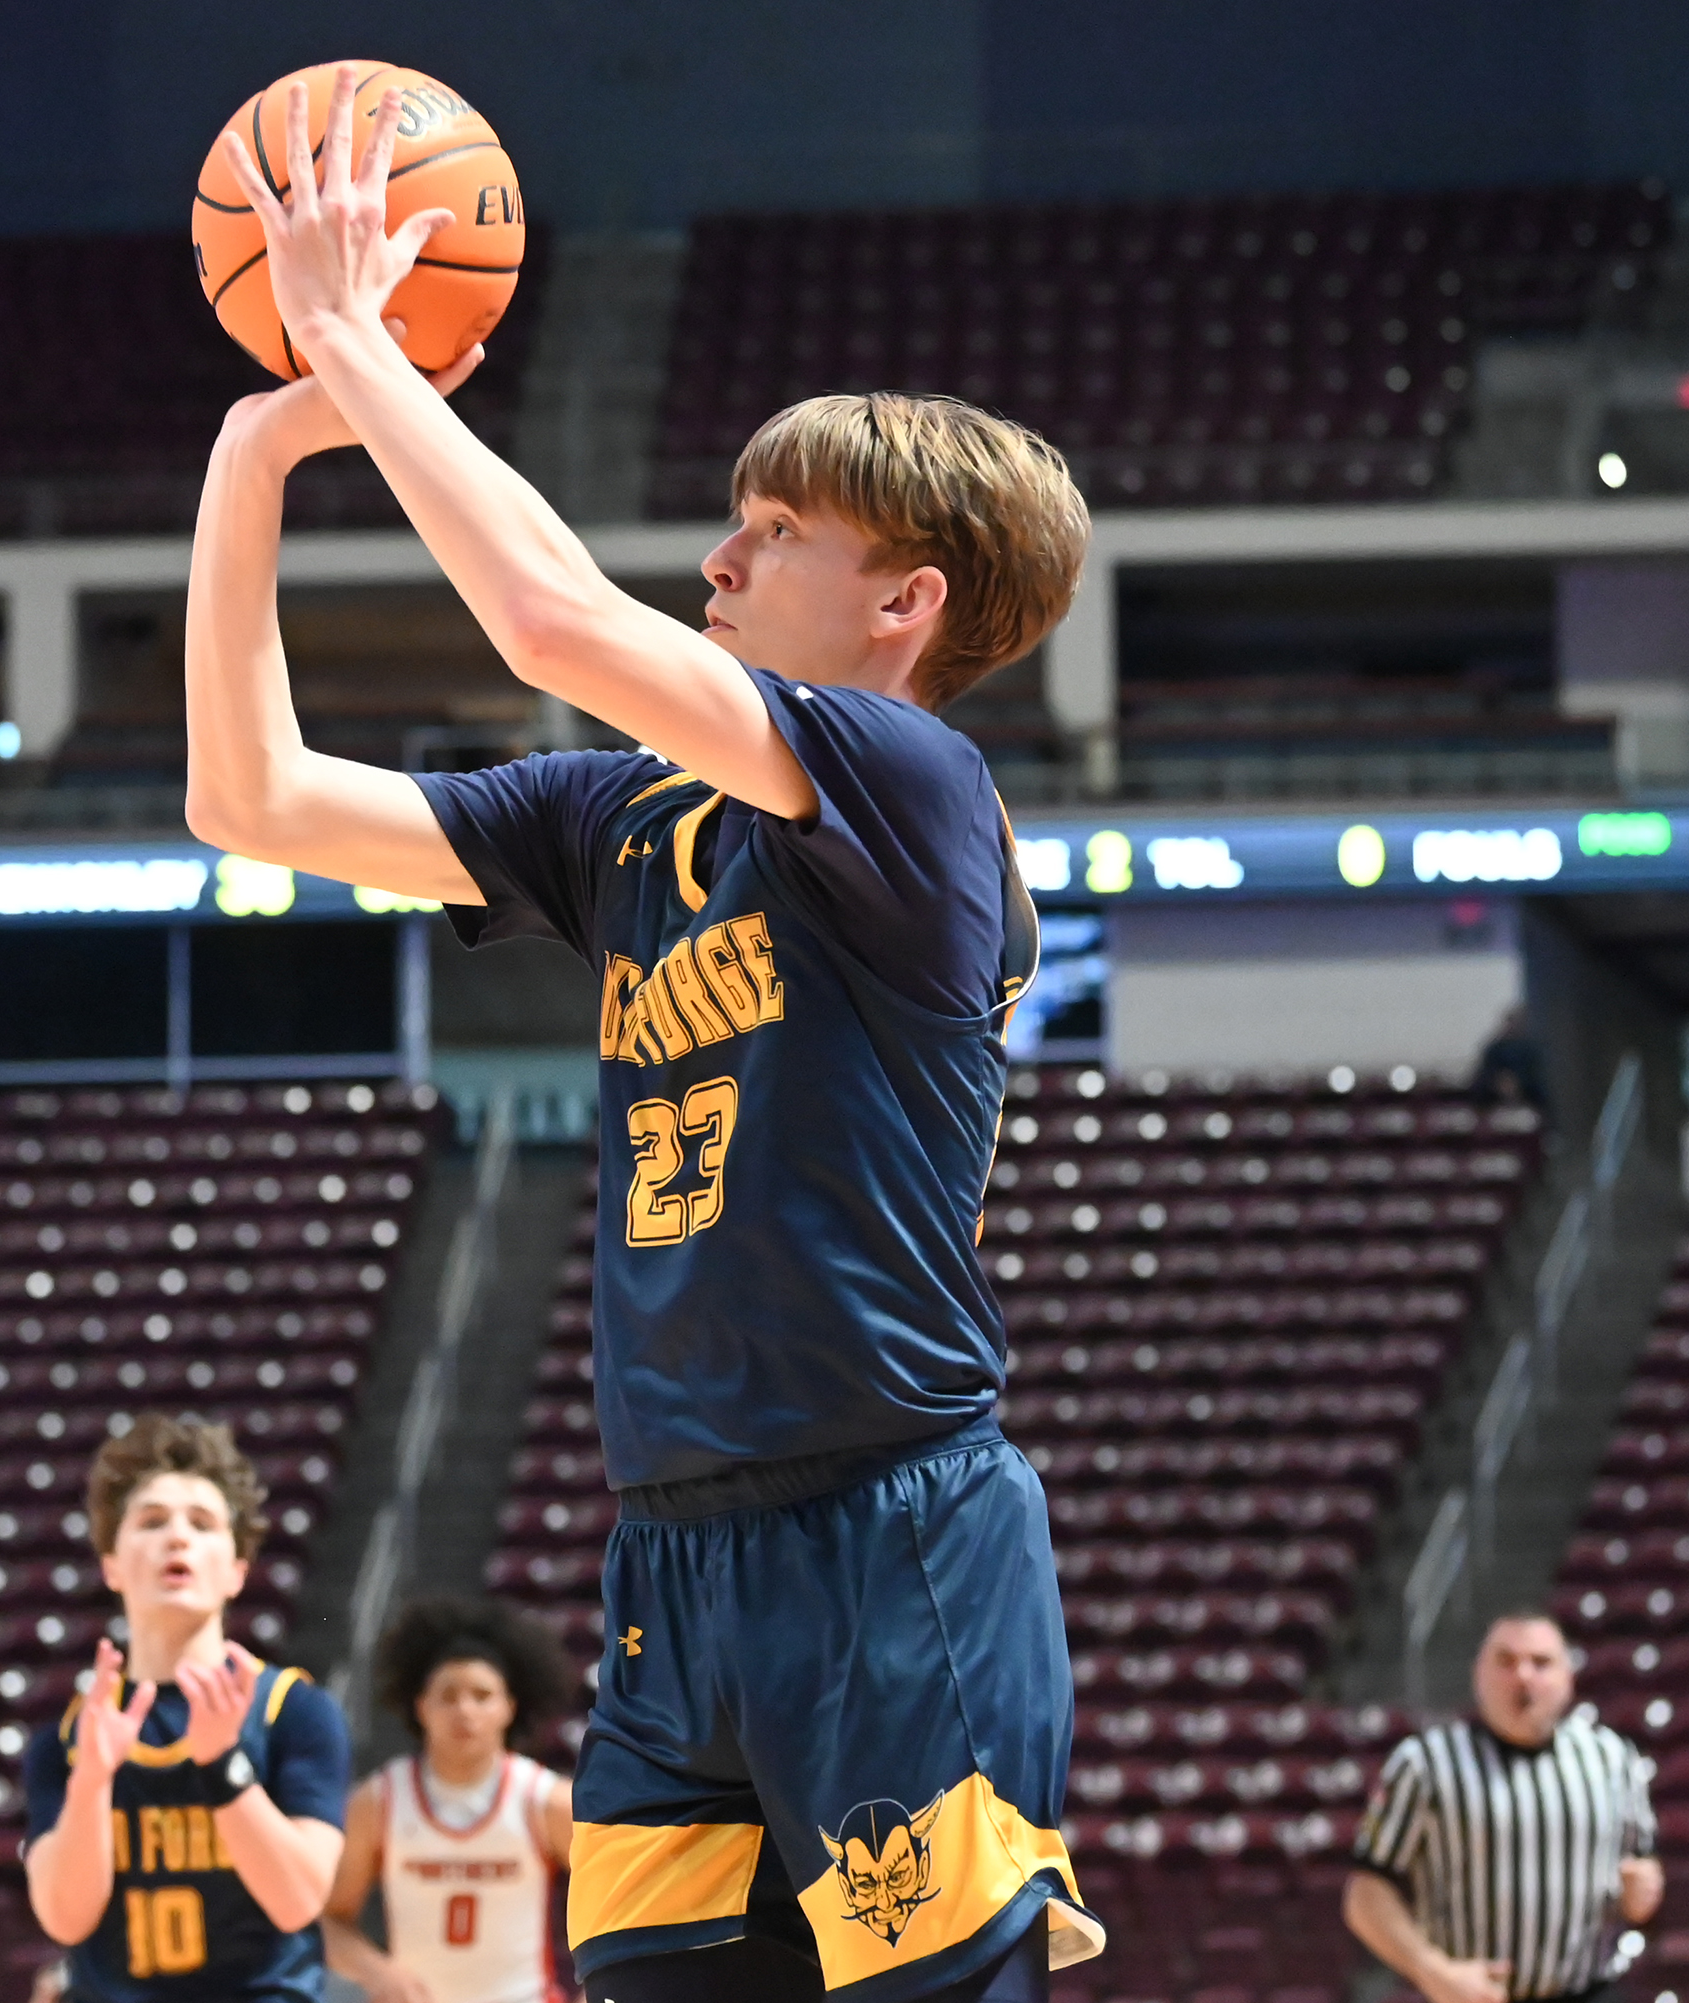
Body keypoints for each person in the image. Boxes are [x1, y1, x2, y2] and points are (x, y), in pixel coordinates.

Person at [187, 70, 1100, 2003]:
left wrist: (357, 340)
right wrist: (255, 463)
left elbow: (542, 612)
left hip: (890, 1523)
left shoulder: (917, 782)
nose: (722, 559)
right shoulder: (627, 820)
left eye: (773, 532)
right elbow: (250, 798)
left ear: (902, 603)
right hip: (674, 1552)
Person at [24, 1414, 352, 1999]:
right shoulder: (72, 1736)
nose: (177, 1537)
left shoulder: (292, 1710)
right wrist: (93, 1780)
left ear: (235, 1572)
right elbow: (65, 1919)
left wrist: (223, 1766)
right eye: (151, 1521)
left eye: (202, 1524)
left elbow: (298, 1899)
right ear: (112, 1565)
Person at [1345, 1612, 1661, 2003]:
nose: (1523, 1677)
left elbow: (1642, 1866)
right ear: (1478, 1674)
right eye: (1506, 1661)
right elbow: (1365, 1893)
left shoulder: (1612, 1758)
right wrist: (1431, 1969)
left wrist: (1643, 1888)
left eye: (1541, 1663)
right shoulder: (1425, 1764)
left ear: (1568, 1678)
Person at [324, 1599, 579, 2003]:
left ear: (508, 1708)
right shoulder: (378, 1801)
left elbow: (621, 1906)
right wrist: (376, 1972)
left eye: (482, 1695)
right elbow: (331, 1920)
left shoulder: (545, 1801)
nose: (464, 1710)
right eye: (448, 1695)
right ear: (421, 1707)